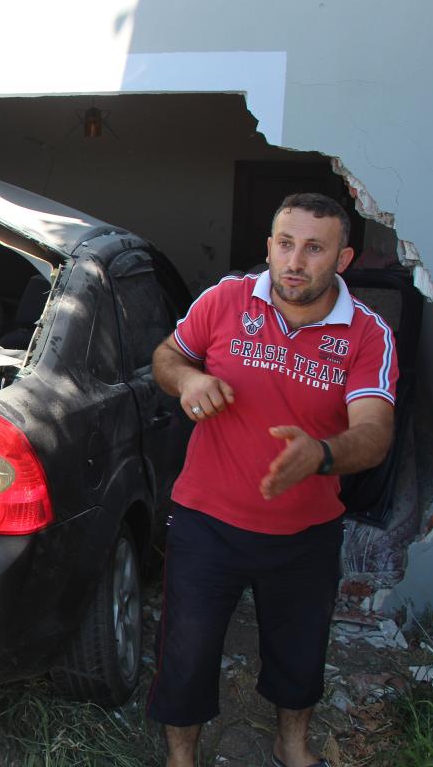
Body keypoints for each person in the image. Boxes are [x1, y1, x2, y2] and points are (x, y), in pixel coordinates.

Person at [147, 193, 398, 767]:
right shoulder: (226, 299)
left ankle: (291, 744)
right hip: (206, 522)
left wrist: (324, 454)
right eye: (285, 244)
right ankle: (182, 758)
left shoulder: (367, 333)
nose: (295, 261)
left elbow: (376, 430)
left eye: (314, 248)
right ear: (269, 246)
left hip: (305, 531)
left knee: (299, 652)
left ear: (344, 258)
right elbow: (166, 355)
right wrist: (186, 379)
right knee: (186, 653)